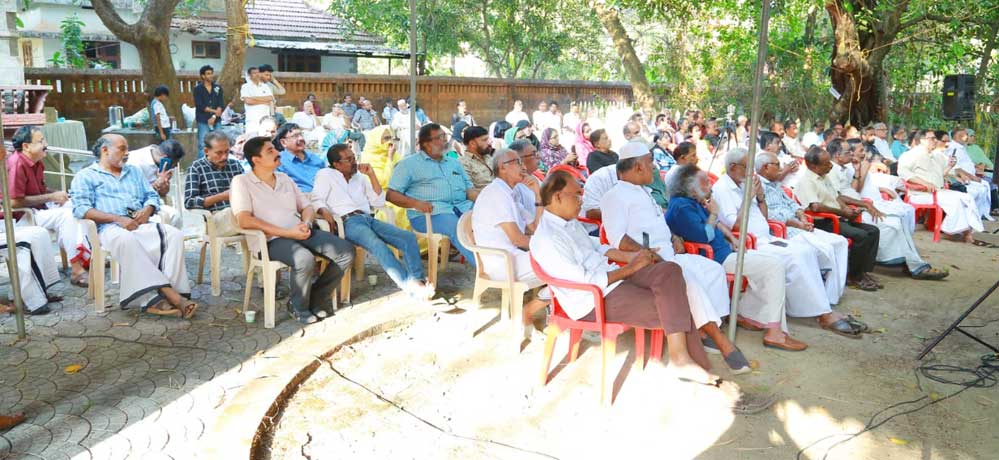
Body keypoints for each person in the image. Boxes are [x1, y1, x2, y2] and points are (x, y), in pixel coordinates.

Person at [531, 170, 719, 384]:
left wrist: (633, 257)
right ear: (557, 197)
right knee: (673, 300)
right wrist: (631, 268)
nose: (581, 200)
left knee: (670, 271)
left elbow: (597, 247)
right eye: (576, 195)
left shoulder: (569, 223)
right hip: (591, 300)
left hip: (611, 280)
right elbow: (586, 281)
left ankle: (682, 356)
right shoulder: (548, 237)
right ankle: (683, 359)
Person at [600, 142, 751, 370]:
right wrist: (648, 255)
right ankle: (719, 339)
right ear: (638, 166)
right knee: (688, 281)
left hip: (670, 255)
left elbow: (656, 224)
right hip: (646, 265)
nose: (654, 168)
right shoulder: (614, 196)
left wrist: (673, 236)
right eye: (650, 163)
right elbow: (617, 239)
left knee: (713, 270)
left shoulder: (644, 192)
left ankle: (705, 330)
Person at [712, 148, 864, 337]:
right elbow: (736, 226)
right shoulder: (722, 189)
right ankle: (823, 313)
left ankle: (819, 307)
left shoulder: (744, 184)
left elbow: (763, 217)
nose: (751, 171)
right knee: (796, 257)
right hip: (749, 244)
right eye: (747, 167)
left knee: (806, 251)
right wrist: (749, 198)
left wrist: (760, 197)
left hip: (767, 238)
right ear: (734, 167)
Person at [666, 165, 808, 351]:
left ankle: (748, 314)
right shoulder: (681, 207)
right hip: (713, 259)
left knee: (772, 263)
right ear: (690, 187)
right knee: (773, 266)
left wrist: (732, 238)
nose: (710, 185)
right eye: (705, 182)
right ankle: (774, 332)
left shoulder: (693, 201)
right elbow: (704, 236)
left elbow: (717, 224)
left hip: (724, 253)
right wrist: (714, 212)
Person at [71, 134, 196, 318]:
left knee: (173, 235)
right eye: (122, 149)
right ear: (105, 150)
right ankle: (164, 298)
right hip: (108, 229)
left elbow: (151, 196)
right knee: (126, 240)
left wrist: (148, 209)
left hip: (138, 224)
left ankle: (171, 291)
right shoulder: (85, 176)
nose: (127, 153)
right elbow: (81, 209)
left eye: (127, 149)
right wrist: (117, 219)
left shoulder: (133, 172)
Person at [231, 137, 354, 324]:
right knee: (304, 259)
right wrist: (288, 233)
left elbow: (307, 207)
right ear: (256, 159)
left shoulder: (284, 178)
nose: (277, 153)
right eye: (270, 151)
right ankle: (299, 307)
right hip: (270, 241)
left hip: (300, 231)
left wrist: (306, 223)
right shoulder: (241, 182)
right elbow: (244, 219)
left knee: (345, 251)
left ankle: (316, 296)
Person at [312, 144, 433, 299]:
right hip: (347, 222)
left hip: (367, 218)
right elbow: (316, 199)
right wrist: (324, 211)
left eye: (354, 157)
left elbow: (378, 202)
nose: (354, 162)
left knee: (407, 237)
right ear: (336, 164)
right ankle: (410, 286)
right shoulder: (325, 175)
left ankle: (418, 281)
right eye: (349, 160)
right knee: (378, 245)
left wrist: (371, 175)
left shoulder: (360, 177)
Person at [829, 142, 949, 280]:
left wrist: (858, 173)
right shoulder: (832, 171)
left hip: (860, 205)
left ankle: (913, 264)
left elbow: (852, 191)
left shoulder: (844, 169)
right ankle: (914, 266)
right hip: (852, 211)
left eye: (852, 151)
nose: (851, 154)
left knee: (898, 220)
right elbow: (839, 197)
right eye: (848, 152)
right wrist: (864, 204)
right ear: (838, 155)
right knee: (893, 224)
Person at [5, 126, 90, 286]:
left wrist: (58, 194)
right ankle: (77, 270)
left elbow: (39, 190)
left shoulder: (36, 162)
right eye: (41, 141)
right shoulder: (17, 163)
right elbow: (13, 201)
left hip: (38, 209)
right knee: (66, 216)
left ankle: (85, 256)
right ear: (26, 146)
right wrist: (51, 197)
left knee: (77, 206)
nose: (46, 144)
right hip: (21, 217)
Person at [471, 148, 549, 322]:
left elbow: (535, 228)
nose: (523, 167)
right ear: (502, 167)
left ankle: (537, 308)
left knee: (567, 260)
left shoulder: (509, 193)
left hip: (514, 258)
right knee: (563, 263)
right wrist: (550, 245)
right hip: (502, 264)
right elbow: (518, 239)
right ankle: (530, 310)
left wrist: (538, 195)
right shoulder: (496, 194)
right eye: (517, 162)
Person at [387, 123, 479, 265]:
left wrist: (485, 202)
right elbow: (391, 194)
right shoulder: (408, 165)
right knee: (459, 227)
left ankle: (504, 261)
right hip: (429, 215)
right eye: (440, 137)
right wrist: (415, 203)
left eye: (445, 136)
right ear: (427, 143)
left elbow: (469, 190)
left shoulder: (454, 163)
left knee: (491, 219)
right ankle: (486, 269)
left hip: (463, 208)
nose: (445, 140)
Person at [794, 146, 883, 291]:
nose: (830, 166)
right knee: (861, 236)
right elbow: (815, 207)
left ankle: (862, 272)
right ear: (813, 166)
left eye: (829, 162)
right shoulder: (807, 181)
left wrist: (848, 209)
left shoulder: (824, 176)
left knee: (873, 231)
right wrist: (843, 213)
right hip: (822, 222)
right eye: (826, 164)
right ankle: (853, 277)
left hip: (836, 218)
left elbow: (836, 197)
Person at [898, 130, 985, 243]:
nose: (935, 141)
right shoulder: (911, 155)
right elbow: (903, 172)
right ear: (923, 140)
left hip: (938, 191)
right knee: (957, 200)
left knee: (967, 198)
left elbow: (942, 174)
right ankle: (959, 232)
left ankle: (961, 231)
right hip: (921, 192)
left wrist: (950, 166)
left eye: (935, 138)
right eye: (932, 138)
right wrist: (924, 183)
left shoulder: (937, 155)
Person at [184, 131, 244, 236]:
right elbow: (189, 202)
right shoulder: (196, 168)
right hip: (216, 218)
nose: (224, 157)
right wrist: (221, 197)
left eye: (227, 152)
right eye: (219, 153)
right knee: (230, 213)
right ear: (206, 151)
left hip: (241, 212)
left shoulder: (235, 165)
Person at [125, 140, 186, 228]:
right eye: (175, 163)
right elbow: (133, 193)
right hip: (135, 205)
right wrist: (156, 184)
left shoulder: (164, 165)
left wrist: (164, 183)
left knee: (175, 216)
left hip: (154, 203)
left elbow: (163, 194)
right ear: (165, 158)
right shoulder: (135, 162)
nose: (175, 166)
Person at [945, 127, 992, 220]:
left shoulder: (961, 147)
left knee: (984, 186)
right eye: (966, 135)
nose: (968, 137)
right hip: (961, 179)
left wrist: (977, 170)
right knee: (980, 189)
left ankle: (979, 215)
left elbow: (967, 163)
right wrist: (972, 177)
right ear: (959, 136)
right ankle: (971, 216)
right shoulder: (953, 148)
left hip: (970, 177)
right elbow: (956, 168)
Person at [274, 123, 326, 193]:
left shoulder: (313, 157)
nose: (301, 138)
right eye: (295, 136)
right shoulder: (279, 161)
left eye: (301, 134)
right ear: (283, 142)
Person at [193, 65, 224, 154]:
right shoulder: (198, 89)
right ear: (203, 76)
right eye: (208, 74)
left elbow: (221, 103)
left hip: (216, 119)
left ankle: (217, 161)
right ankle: (202, 162)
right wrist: (214, 111)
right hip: (203, 119)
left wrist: (214, 116)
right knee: (203, 144)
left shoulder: (217, 88)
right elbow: (200, 105)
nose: (211, 75)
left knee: (219, 143)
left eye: (211, 73)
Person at [458, 125, 494, 191]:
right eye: (485, 140)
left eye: (488, 139)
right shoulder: (463, 163)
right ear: (472, 144)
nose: (489, 143)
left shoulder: (487, 157)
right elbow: (469, 190)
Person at [240, 67, 274, 135]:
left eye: (258, 72)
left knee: (265, 137)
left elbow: (270, 98)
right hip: (253, 120)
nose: (257, 74)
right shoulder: (245, 86)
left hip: (265, 119)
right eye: (254, 73)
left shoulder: (265, 86)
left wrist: (253, 98)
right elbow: (248, 101)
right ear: (249, 75)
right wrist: (264, 101)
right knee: (252, 138)